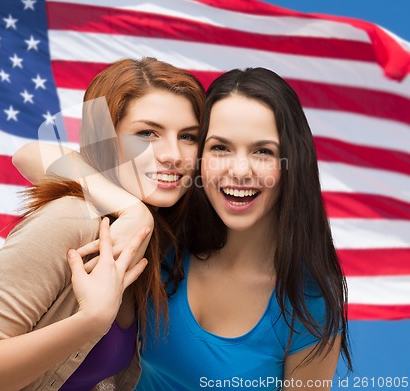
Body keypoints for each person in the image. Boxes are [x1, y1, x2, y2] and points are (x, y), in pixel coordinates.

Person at [0, 57, 205, 391]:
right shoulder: (71, 220)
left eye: (189, 137)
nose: (173, 154)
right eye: (147, 133)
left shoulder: (162, 246)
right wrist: (89, 322)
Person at [135, 67, 351, 390]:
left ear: (292, 163)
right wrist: (128, 211)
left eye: (263, 151)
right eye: (220, 148)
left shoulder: (309, 302)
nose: (239, 170)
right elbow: (41, 157)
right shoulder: (161, 234)